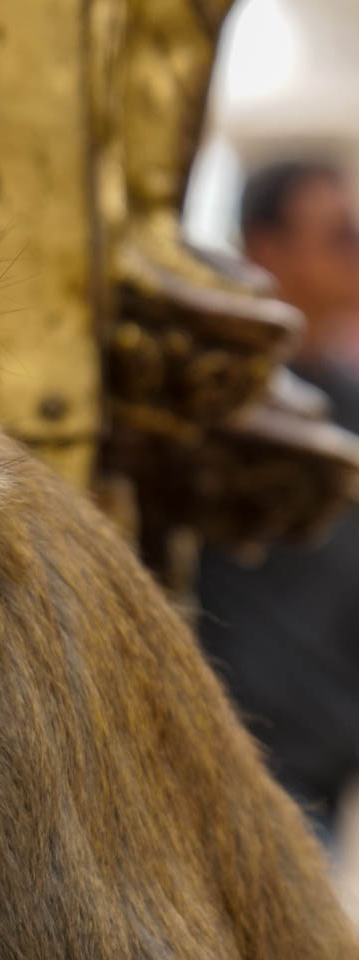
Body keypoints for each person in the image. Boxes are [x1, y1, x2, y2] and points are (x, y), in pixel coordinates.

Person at [198, 159, 359, 837]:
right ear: (267, 249)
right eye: (341, 237)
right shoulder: (215, 399)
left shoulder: (345, 401)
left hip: (320, 772)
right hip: (241, 770)